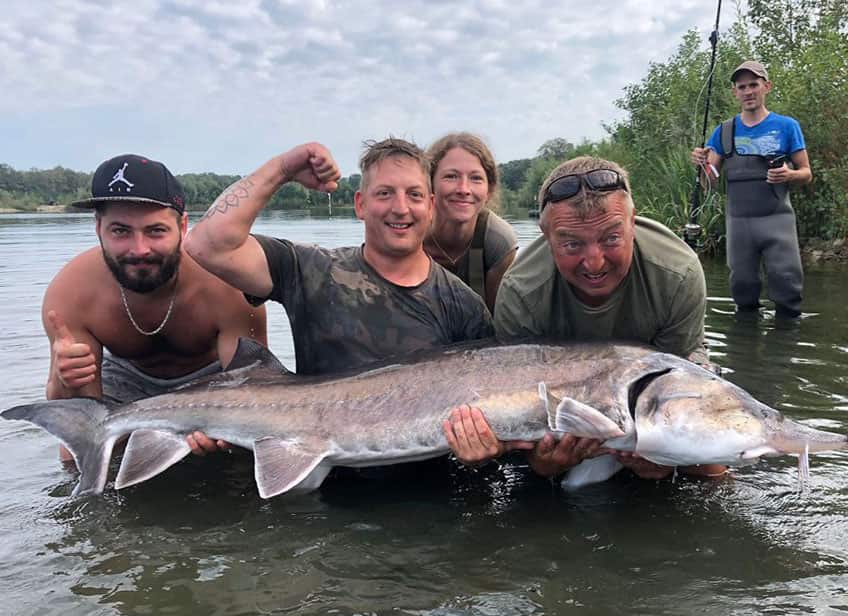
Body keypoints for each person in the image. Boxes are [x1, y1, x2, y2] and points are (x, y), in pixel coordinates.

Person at [442, 155, 725, 481]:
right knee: (539, 472)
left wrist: (665, 458)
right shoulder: (522, 291)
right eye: (572, 244)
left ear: (633, 222)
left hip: (653, 378)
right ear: (547, 236)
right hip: (560, 392)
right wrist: (542, 463)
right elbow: (520, 398)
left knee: (710, 467)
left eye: (611, 239)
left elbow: (672, 381)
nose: (594, 262)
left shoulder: (678, 272)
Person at [183, 138, 493, 378]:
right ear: (360, 204)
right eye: (384, 193)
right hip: (318, 454)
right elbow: (206, 244)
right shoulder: (310, 270)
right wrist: (284, 169)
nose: (401, 208)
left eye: (414, 195)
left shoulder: (463, 306)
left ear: (431, 206)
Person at [47, 153, 267, 460]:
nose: (139, 249)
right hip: (124, 383)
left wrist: (229, 427)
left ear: (183, 226)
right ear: (99, 228)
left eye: (155, 231)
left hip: (213, 388)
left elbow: (258, 388)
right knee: (74, 455)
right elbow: (70, 410)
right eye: (121, 231)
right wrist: (64, 377)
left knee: (246, 454)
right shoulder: (71, 292)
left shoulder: (228, 283)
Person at [691, 60, 812, 318]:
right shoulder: (724, 132)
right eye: (741, 86)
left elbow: (806, 173)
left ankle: (785, 350)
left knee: (787, 287)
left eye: (753, 85)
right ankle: (744, 353)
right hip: (739, 223)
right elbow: (709, 181)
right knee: (742, 290)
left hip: (777, 220)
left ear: (766, 87)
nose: (748, 91)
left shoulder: (787, 126)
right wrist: (702, 166)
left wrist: (789, 175)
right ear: (735, 92)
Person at [423, 133, 518, 312]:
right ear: (430, 184)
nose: (463, 189)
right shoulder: (412, 233)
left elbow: (496, 322)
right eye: (451, 176)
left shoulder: (498, 241)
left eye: (476, 178)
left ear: (488, 191)